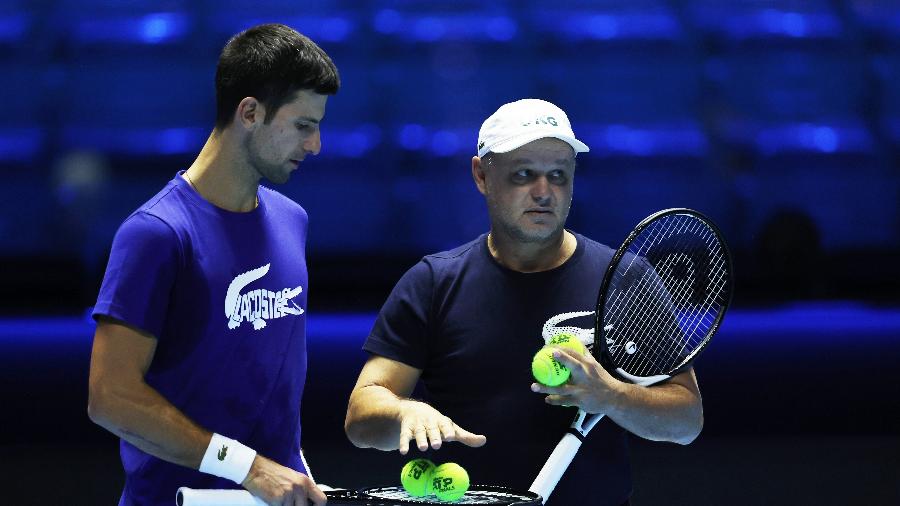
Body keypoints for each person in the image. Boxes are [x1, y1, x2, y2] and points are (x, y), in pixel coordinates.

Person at [344, 99, 703, 505]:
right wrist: (403, 413)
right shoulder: (432, 283)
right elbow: (361, 417)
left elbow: (686, 420)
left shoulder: (625, 279)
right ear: (481, 175)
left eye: (558, 175)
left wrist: (611, 395)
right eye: (523, 174)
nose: (544, 192)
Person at [87, 23, 339, 506]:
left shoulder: (293, 221)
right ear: (250, 112)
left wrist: (292, 471)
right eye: (304, 125)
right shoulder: (155, 233)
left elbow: (268, 391)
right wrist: (248, 468)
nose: (316, 146)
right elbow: (109, 397)